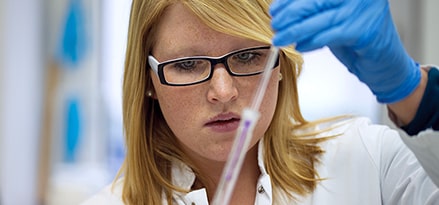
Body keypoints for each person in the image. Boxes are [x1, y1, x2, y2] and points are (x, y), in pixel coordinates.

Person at [83, 0, 439, 204]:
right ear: (149, 81)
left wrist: (414, 91)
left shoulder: (371, 163)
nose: (223, 92)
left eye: (248, 56)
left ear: (280, 64)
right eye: (188, 65)